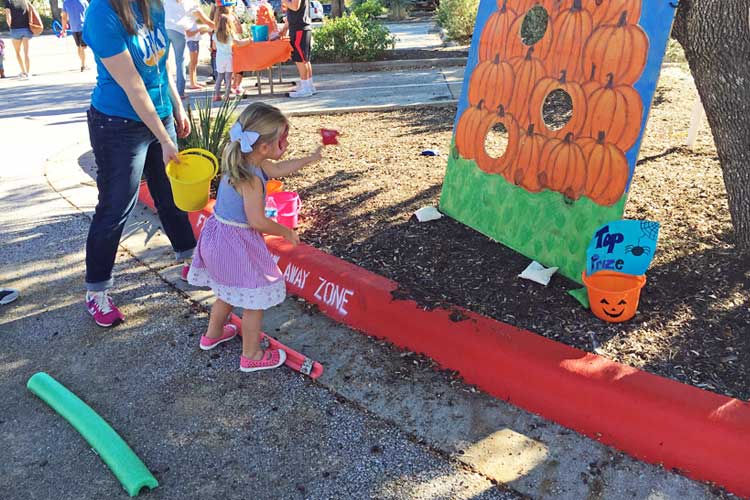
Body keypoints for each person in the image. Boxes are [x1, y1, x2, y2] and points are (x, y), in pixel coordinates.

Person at [82, 0, 196, 327]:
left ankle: (189, 258)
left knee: (171, 195)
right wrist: (164, 138)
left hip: (159, 116)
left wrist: (176, 105)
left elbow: (160, 66)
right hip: (117, 125)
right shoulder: (101, 13)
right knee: (116, 206)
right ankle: (97, 291)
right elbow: (133, 85)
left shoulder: (150, 5)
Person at [187, 102, 322, 372]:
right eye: (282, 139)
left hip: (217, 239)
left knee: (226, 290)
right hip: (236, 245)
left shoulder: (240, 158)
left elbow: (280, 168)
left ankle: (212, 335)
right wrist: (285, 231)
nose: (286, 143)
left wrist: (309, 158)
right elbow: (257, 221)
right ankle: (251, 355)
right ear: (263, 147)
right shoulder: (251, 179)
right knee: (254, 300)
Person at [211, 9, 250, 102]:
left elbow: (214, 47)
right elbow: (238, 43)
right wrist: (249, 40)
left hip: (219, 58)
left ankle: (216, 95)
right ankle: (226, 95)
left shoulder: (215, 35)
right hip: (229, 57)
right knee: (228, 78)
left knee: (219, 77)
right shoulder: (230, 35)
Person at [165, 0, 199, 99]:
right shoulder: (185, 3)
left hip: (166, 28)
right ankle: (180, 92)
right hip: (179, 31)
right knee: (180, 62)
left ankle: (164, 91)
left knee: (164, 61)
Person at [282, 0, 315, 98]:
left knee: (300, 59)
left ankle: (306, 89)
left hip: (299, 29)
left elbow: (295, 7)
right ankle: (309, 86)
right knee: (305, 59)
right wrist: (284, 30)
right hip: (301, 28)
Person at [3, 0, 33, 79]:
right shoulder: (25, 1)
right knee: (26, 53)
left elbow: (8, 17)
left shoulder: (8, 2)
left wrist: (10, 27)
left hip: (15, 30)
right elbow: (30, 13)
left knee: (17, 52)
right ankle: (28, 73)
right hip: (26, 29)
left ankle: (23, 71)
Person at [61, 0, 89, 72]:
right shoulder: (84, 2)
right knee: (83, 47)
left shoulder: (66, 2)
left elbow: (64, 17)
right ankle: (83, 65)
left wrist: (63, 29)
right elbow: (89, 15)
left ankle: (83, 63)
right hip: (83, 27)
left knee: (79, 46)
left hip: (73, 28)